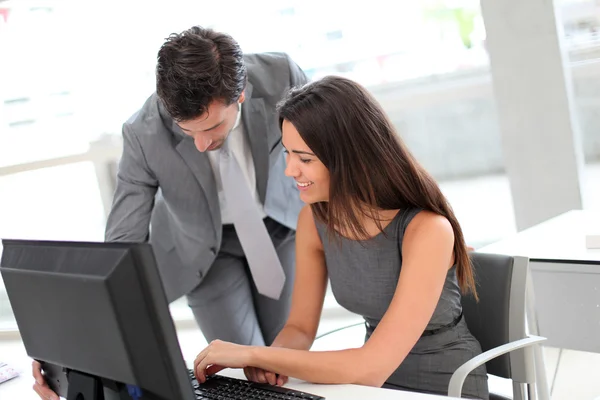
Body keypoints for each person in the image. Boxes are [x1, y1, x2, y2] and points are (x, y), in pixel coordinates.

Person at [32, 26, 307, 400]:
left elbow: (328, 150)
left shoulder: (282, 77)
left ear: (240, 94)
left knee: (285, 363)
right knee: (245, 376)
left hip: (279, 227)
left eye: (212, 127)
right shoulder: (143, 132)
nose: (202, 144)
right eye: (187, 130)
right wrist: (68, 348)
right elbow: (121, 246)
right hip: (203, 252)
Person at [192, 76, 490, 399]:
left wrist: (253, 354)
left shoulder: (428, 230)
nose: (290, 170)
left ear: (350, 159)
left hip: (443, 387)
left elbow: (371, 368)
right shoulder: (315, 220)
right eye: (288, 154)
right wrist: (273, 362)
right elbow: (300, 329)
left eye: (305, 159)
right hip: (366, 389)